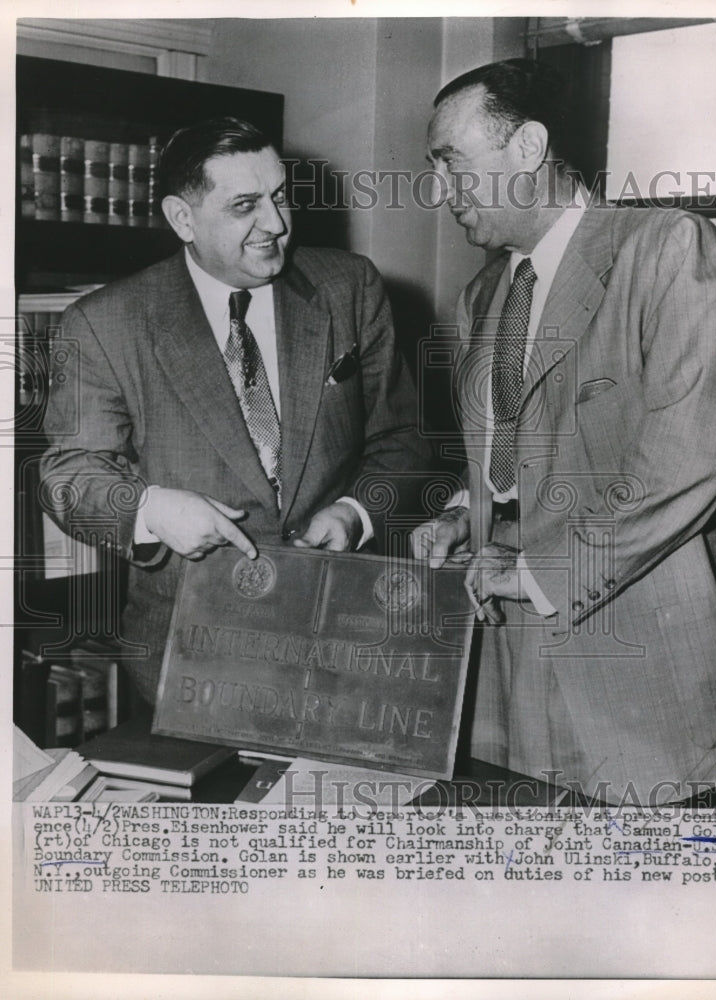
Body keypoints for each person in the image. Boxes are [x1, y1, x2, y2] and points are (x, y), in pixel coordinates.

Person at [412, 59, 716, 805]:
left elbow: (690, 463)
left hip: (640, 691)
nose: (440, 191)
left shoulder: (665, 247)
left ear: (529, 149)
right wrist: (459, 518)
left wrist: (539, 572)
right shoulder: (479, 298)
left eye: (452, 164)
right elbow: (507, 472)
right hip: (506, 688)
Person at [41, 116, 430, 703]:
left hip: (345, 643)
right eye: (245, 204)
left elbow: (403, 439)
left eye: (279, 197)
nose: (274, 224)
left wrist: (354, 513)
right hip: (190, 657)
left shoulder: (349, 287)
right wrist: (150, 508)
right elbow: (70, 475)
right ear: (182, 219)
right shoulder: (105, 323)